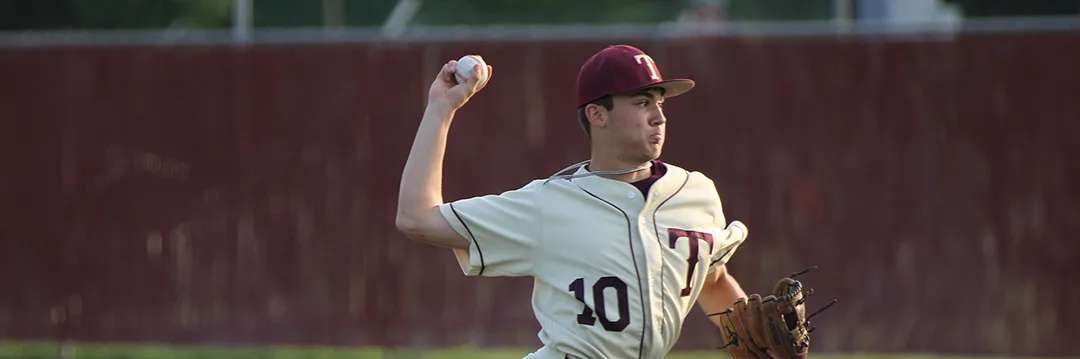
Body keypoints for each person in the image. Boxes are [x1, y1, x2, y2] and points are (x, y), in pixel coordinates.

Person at [396, 44, 750, 359]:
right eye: (642, 102)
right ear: (598, 115)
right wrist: (441, 109)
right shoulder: (550, 204)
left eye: (659, 102)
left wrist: (754, 342)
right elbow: (417, 219)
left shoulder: (696, 193)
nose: (659, 115)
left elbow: (712, 280)